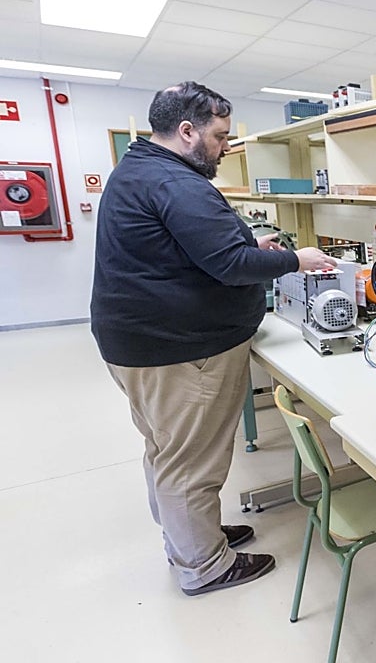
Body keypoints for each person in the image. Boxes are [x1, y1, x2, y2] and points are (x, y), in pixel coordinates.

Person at [91, 82, 340, 596]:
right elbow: (229, 266)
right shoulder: (177, 183)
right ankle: (203, 564)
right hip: (178, 352)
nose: (226, 147)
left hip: (142, 344)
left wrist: (248, 242)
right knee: (190, 462)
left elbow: (189, 249)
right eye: (220, 136)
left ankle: (190, 539)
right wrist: (298, 259)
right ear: (186, 131)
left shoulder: (140, 169)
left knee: (166, 450)